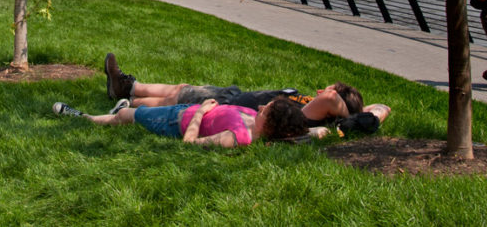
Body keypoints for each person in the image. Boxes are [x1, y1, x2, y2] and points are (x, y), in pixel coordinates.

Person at [103, 53, 365, 126]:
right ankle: (129, 89)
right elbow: (381, 108)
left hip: (230, 105)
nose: (321, 91)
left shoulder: (311, 115)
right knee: (182, 89)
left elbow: (332, 98)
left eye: (327, 90)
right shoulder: (310, 105)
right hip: (234, 95)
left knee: (177, 98)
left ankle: (129, 100)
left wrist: (351, 115)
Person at [52, 95, 308, 147]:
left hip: (175, 122)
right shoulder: (255, 122)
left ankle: (82, 117)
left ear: (271, 123)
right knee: (133, 109)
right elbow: (310, 130)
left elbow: (190, 143)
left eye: (267, 109)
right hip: (185, 110)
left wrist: (200, 113)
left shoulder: (237, 137)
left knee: (124, 117)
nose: (261, 107)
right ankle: (120, 107)